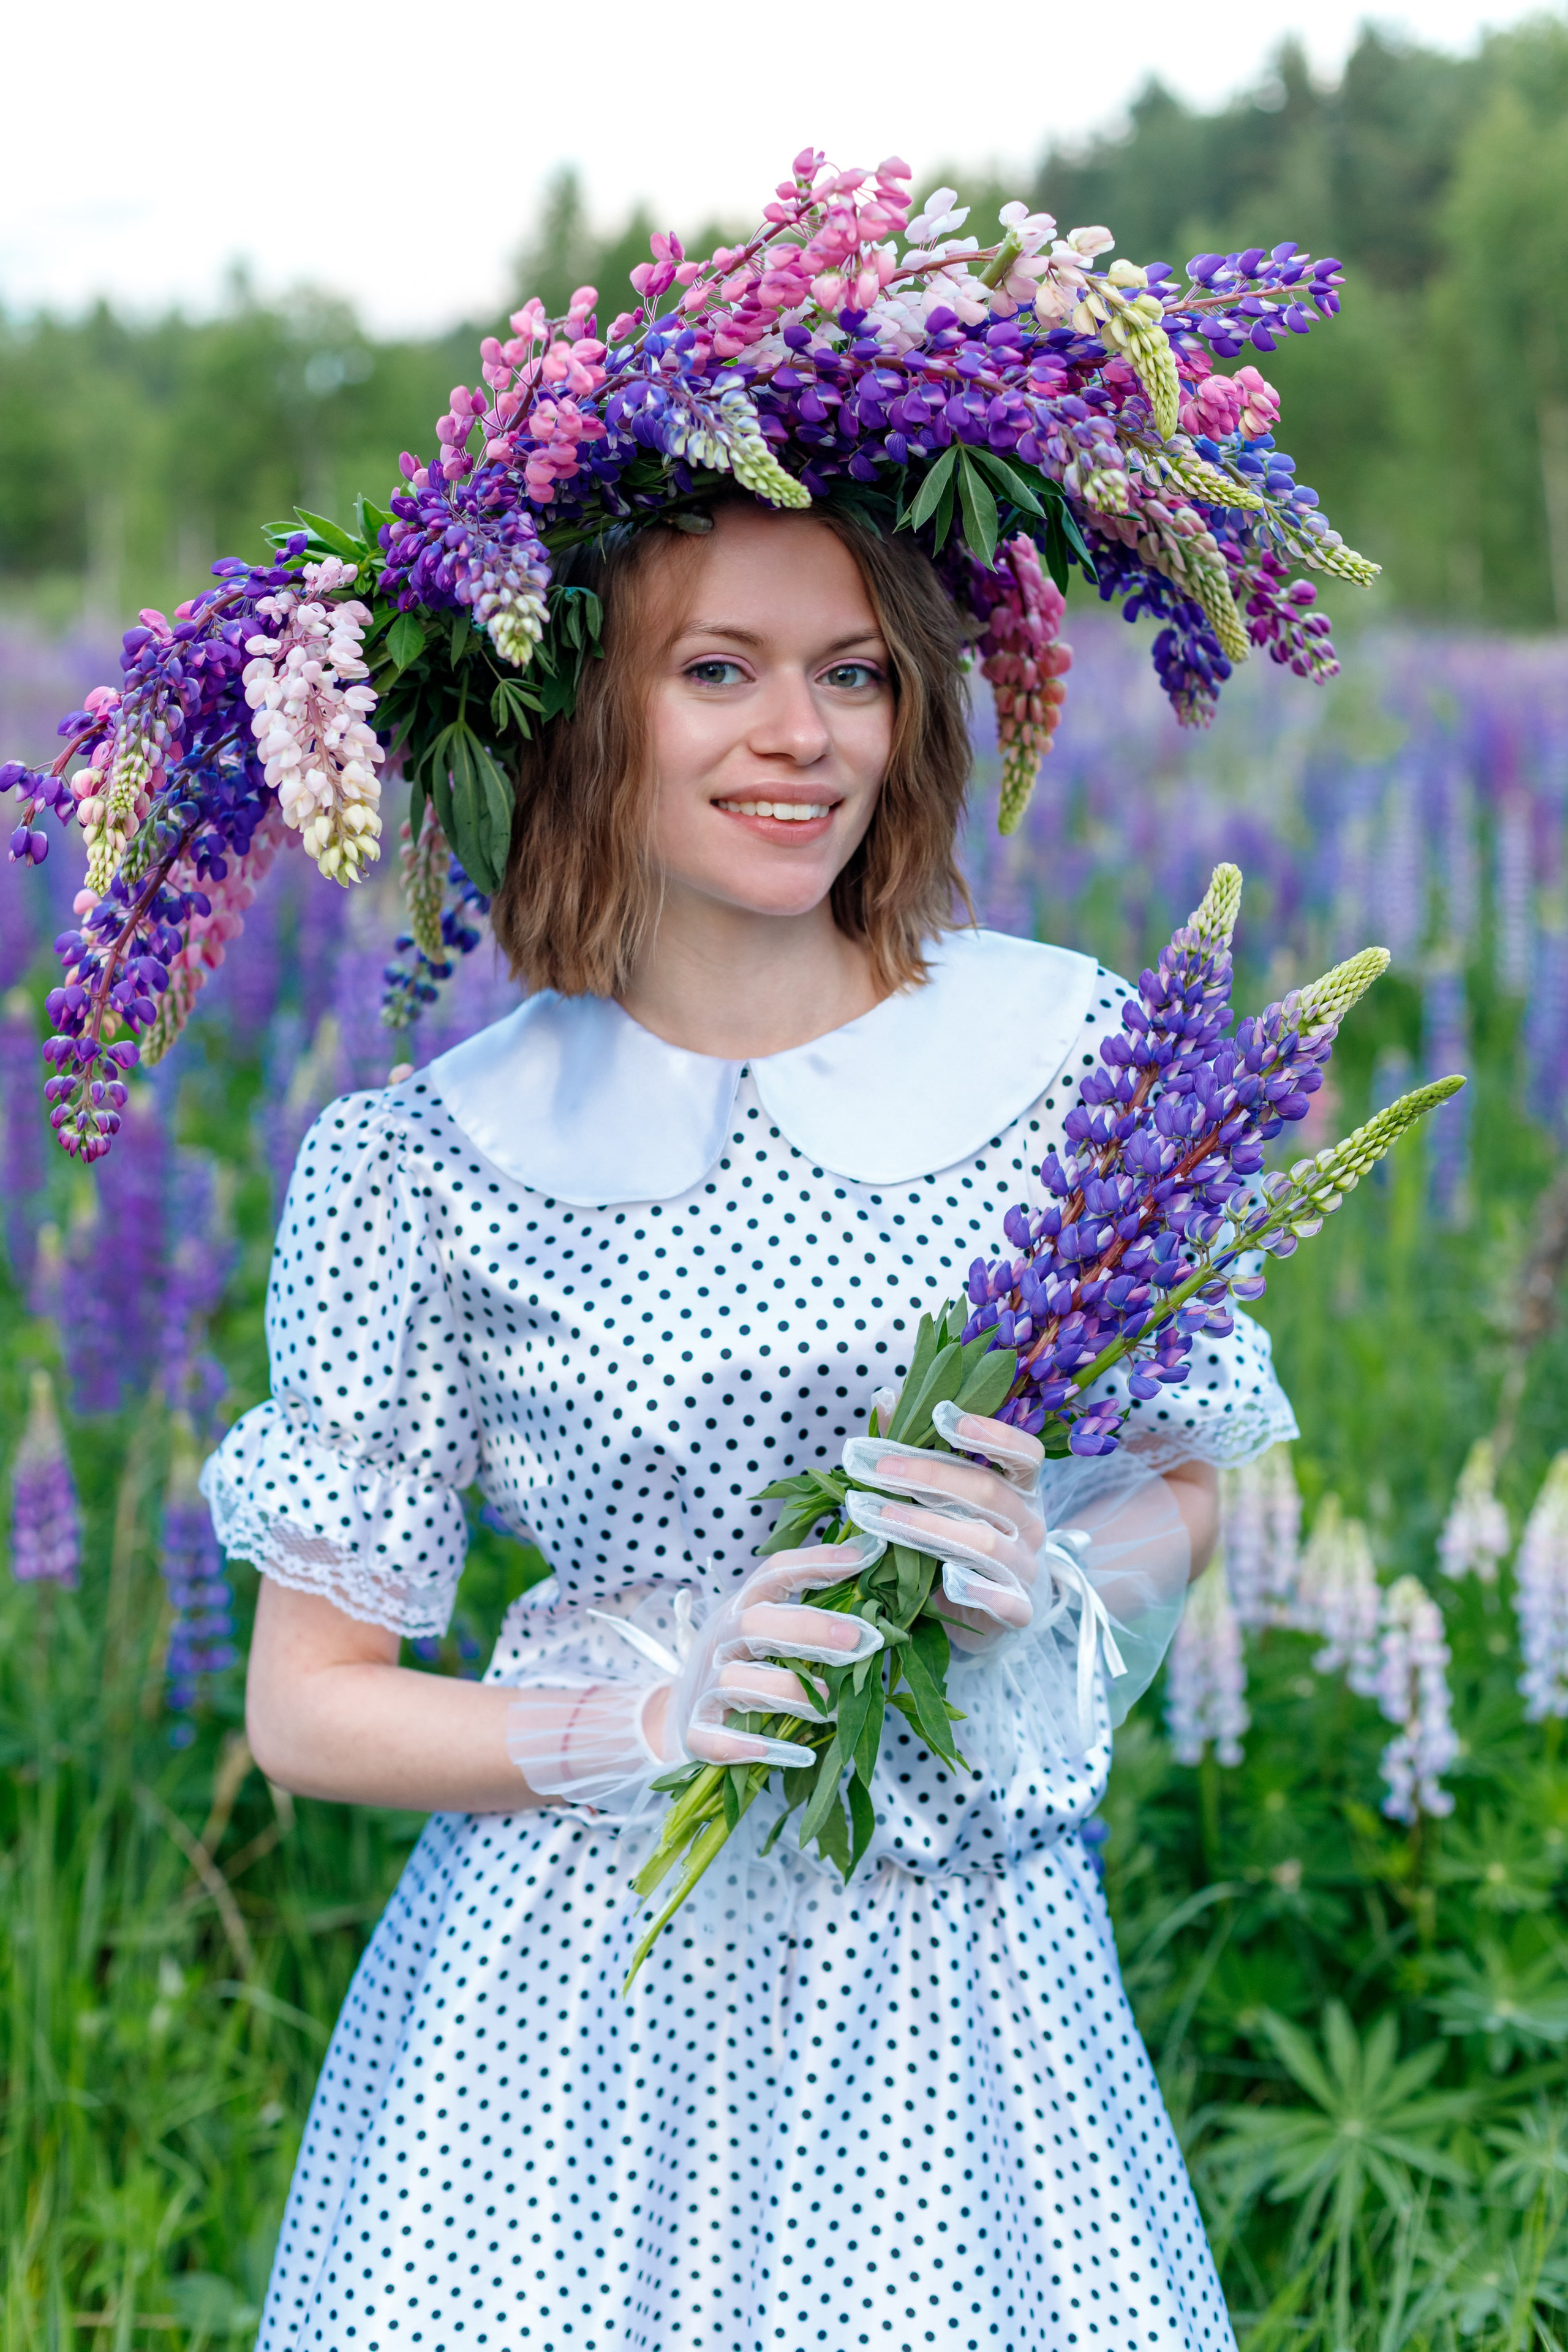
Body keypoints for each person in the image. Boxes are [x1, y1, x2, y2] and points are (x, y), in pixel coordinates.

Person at [209, 492, 1296, 2352]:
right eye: (718, 670)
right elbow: (308, 1706)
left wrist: (1041, 1576)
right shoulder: (421, 1164)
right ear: (578, 709)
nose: (802, 735)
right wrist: (650, 1719)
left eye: (853, 674)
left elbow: (1190, 1480)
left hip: (945, 1965)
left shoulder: (1068, 1061)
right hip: (570, 1989)